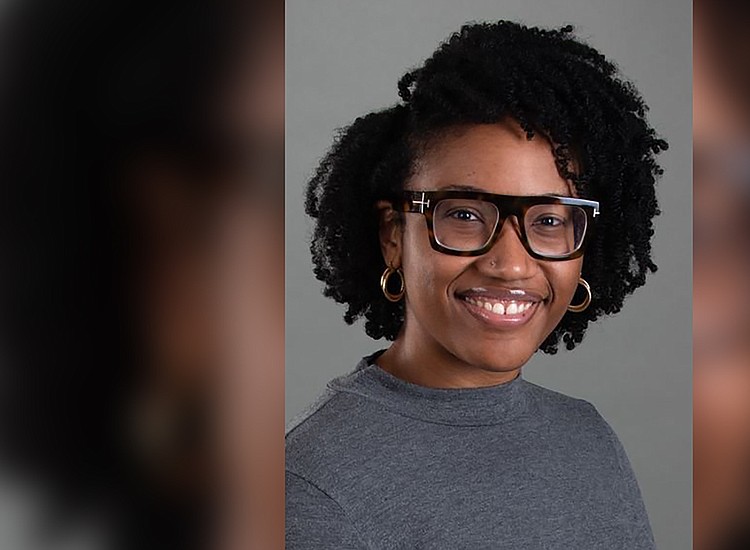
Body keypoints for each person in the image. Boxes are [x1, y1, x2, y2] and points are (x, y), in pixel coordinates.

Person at [286, 21, 667, 548]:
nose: (510, 265)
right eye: (464, 214)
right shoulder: (311, 485)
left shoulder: (588, 437)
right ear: (394, 235)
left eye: (549, 220)